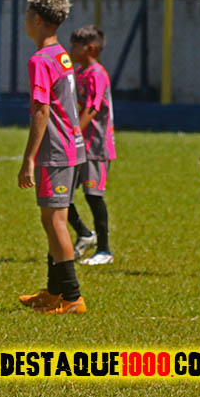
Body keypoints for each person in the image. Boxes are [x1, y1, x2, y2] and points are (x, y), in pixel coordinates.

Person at [17, 0, 87, 314]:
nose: (25, 20)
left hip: (56, 150)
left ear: (37, 19)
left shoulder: (40, 60)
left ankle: (72, 297)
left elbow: (42, 110)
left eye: (27, 14)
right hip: (71, 145)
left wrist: (29, 158)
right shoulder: (60, 54)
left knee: (55, 220)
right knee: (51, 219)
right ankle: (54, 291)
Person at [66, 25, 116, 265]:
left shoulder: (97, 74)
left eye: (75, 46)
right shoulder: (79, 72)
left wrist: (72, 134)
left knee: (93, 196)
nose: (71, 49)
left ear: (90, 49)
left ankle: (104, 250)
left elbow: (92, 108)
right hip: (78, 145)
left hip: (95, 146)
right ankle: (85, 233)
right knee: (62, 195)